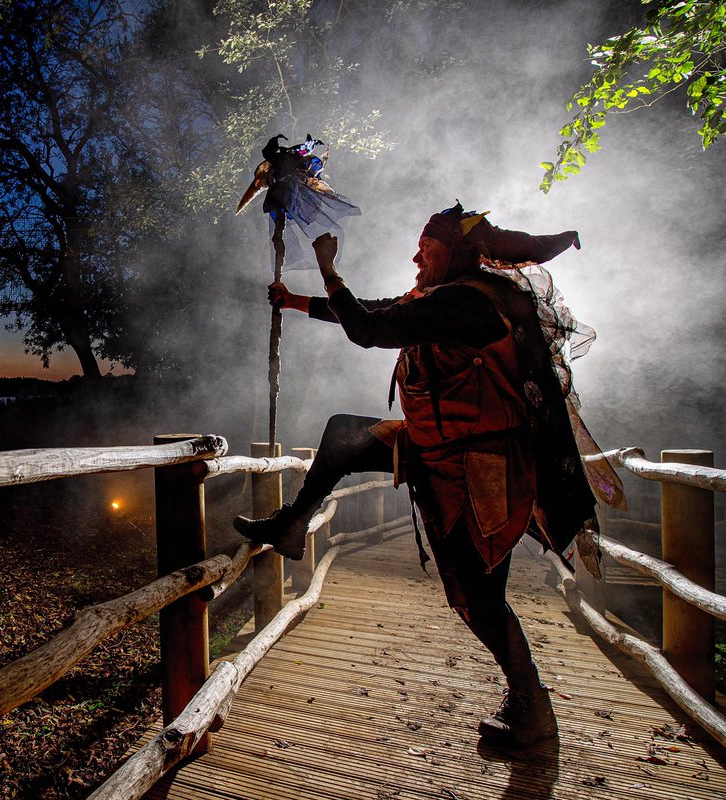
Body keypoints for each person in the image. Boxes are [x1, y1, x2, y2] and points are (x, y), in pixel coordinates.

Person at [234, 202, 622, 750]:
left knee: (477, 601)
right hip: (439, 448)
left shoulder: (468, 303)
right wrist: (298, 301)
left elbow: (368, 328)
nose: (416, 257)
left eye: (427, 248)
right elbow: (373, 310)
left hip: (478, 469)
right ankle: (293, 524)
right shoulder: (447, 297)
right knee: (346, 432)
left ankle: (532, 710)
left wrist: (327, 266)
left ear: (456, 252)